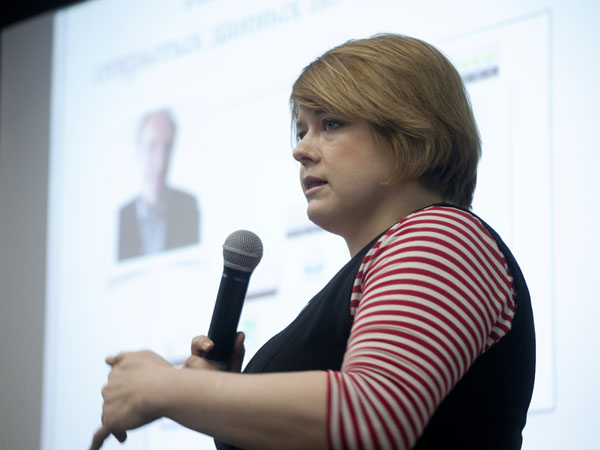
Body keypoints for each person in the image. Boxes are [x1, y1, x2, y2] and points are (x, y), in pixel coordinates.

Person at [92, 34, 535, 450]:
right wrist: (216, 393)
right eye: (301, 130)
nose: (300, 150)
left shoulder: (443, 235)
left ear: (410, 133)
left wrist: (168, 387)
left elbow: (373, 417)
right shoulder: (373, 269)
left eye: (331, 124)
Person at [117, 108, 200, 261]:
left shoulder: (188, 208)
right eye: (152, 146)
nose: (160, 161)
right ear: (138, 148)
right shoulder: (121, 218)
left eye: (167, 147)